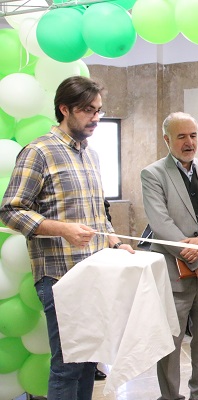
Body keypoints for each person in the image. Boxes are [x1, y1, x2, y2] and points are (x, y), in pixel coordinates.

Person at [0, 76, 134, 400]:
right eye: (88, 110)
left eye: (99, 111)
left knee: (88, 362)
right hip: (59, 277)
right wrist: (62, 229)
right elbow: (10, 210)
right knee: (67, 365)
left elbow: (99, 214)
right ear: (64, 109)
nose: (96, 118)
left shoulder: (92, 155)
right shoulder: (39, 151)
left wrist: (115, 242)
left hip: (95, 274)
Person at [141, 112, 198, 400]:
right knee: (169, 342)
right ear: (167, 139)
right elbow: (161, 224)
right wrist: (196, 259)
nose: (189, 142)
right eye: (181, 136)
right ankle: (170, 396)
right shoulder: (153, 174)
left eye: (193, 135)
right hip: (173, 276)